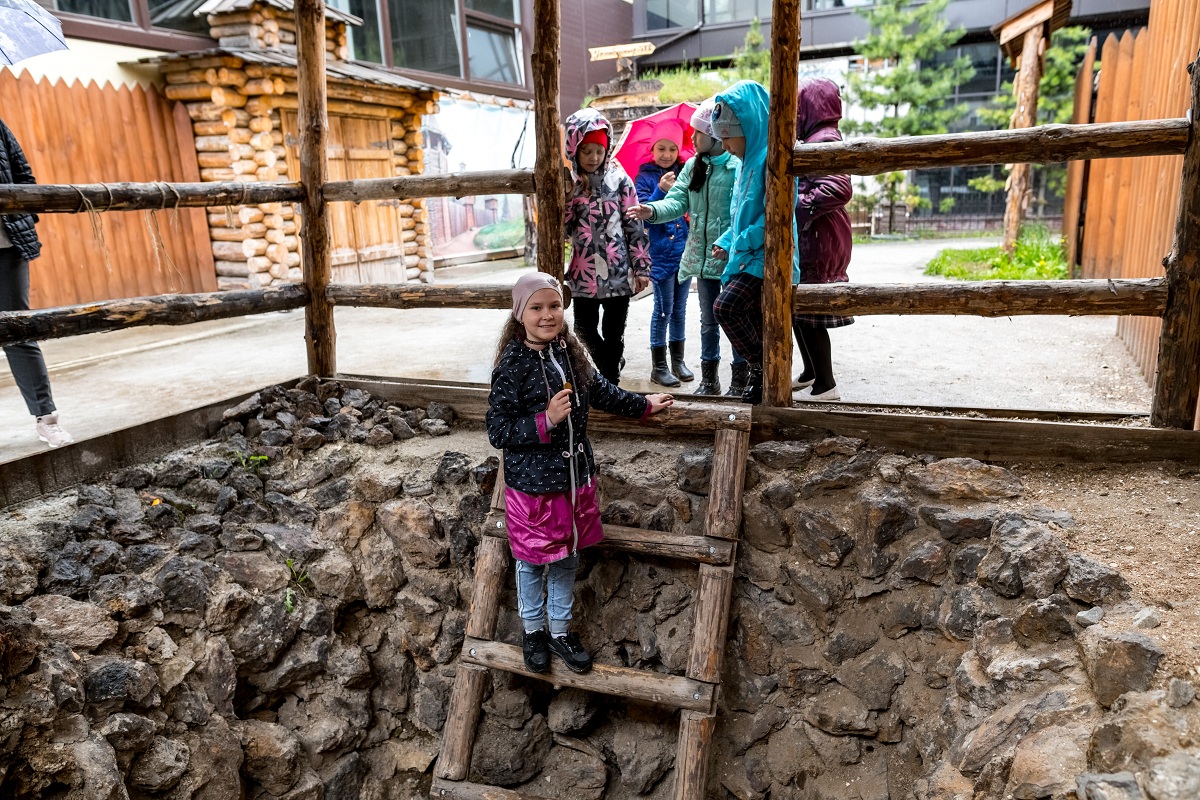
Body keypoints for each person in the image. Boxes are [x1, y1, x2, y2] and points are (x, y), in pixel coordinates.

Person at [487, 272, 673, 674]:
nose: (548, 315)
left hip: (574, 481)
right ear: (520, 314)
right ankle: (533, 632)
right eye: (536, 307)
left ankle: (559, 631)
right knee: (533, 562)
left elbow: (602, 391)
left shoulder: (571, 353)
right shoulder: (512, 366)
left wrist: (643, 405)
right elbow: (498, 430)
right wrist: (546, 420)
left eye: (554, 305)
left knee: (567, 556)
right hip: (534, 490)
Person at [628, 100, 742, 396]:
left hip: (730, 258)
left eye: (697, 134)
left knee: (735, 319)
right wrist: (651, 210)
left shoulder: (735, 166)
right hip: (701, 261)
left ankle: (741, 380)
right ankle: (710, 380)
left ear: (715, 134)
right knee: (707, 321)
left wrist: (727, 242)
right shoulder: (693, 166)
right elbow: (677, 202)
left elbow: (740, 211)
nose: (692, 140)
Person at [708, 81, 800, 404]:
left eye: (728, 137)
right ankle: (765, 377)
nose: (726, 145)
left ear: (748, 125)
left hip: (767, 258)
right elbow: (739, 216)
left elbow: (776, 218)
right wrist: (727, 240)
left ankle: (761, 366)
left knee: (726, 307)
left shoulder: (771, 160)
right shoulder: (745, 162)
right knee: (753, 317)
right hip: (748, 256)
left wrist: (742, 241)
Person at [562, 108, 651, 385]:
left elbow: (634, 227)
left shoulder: (620, 181)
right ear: (574, 149)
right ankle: (611, 361)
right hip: (583, 274)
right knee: (583, 329)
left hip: (618, 272)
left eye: (598, 151)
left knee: (614, 332)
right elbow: (563, 229)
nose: (593, 158)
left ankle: (610, 381)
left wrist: (641, 268)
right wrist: (565, 200)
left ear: (607, 149)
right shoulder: (571, 186)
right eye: (586, 151)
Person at [0, 118, 73, 447]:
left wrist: (22, 221)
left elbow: (24, 179)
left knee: (18, 331)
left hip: (6, 247)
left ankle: (47, 419)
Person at [791, 78, 854, 402]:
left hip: (819, 238)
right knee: (800, 311)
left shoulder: (823, 139)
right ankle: (811, 372)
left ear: (809, 107)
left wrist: (797, 207)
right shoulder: (818, 136)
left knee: (809, 312)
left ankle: (825, 386)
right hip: (819, 237)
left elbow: (839, 188)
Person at [632, 119, 692, 388]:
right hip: (660, 255)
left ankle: (677, 361)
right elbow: (643, 215)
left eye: (672, 149)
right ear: (652, 150)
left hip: (684, 253)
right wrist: (661, 190)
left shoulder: (687, 172)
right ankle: (659, 366)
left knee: (680, 310)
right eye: (661, 148)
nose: (667, 155)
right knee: (663, 310)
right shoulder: (643, 177)